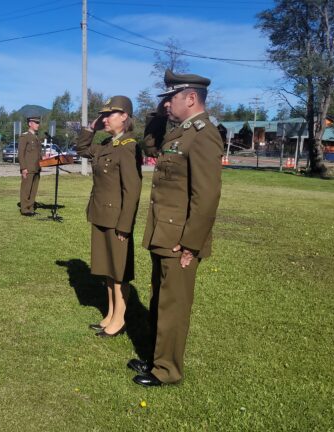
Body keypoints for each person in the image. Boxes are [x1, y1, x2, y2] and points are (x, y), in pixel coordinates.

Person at [129, 70, 223, 387]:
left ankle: (167, 371)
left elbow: (206, 196)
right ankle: (156, 359)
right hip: (164, 232)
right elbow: (151, 146)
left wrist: (191, 244)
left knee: (174, 305)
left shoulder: (203, 134)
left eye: (172, 97)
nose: (167, 103)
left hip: (180, 238)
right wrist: (159, 112)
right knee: (160, 299)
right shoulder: (179, 133)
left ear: (191, 98)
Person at [75, 96, 142, 337]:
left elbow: (132, 190)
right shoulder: (106, 144)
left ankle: (120, 318)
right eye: (103, 115)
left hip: (116, 220)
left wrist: (125, 225)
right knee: (107, 269)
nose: (105, 119)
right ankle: (111, 313)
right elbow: (82, 149)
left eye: (110, 114)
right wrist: (90, 129)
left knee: (119, 271)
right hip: (100, 214)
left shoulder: (129, 146)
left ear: (124, 116)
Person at [18, 116, 44, 216]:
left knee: (33, 189)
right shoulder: (25, 136)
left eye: (38, 123)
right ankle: (24, 209)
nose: (38, 125)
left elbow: (37, 153)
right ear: (30, 124)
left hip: (37, 168)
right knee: (26, 189)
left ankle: (31, 208)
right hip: (28, 168)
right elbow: (21, 154)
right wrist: (23, 168)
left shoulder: (36, 137)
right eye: (36, 123)